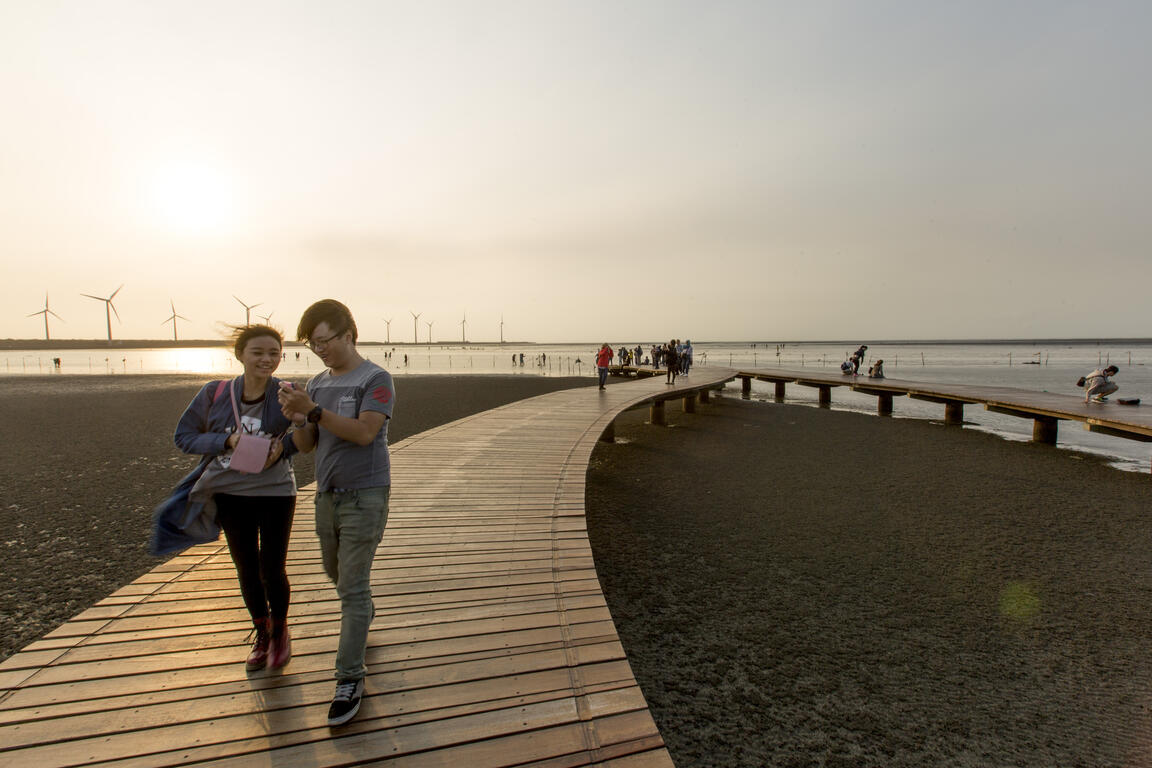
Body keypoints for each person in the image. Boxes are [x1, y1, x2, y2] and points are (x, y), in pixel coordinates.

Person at [277, 300, 395, 727]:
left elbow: (365, 433)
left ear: (349, 334)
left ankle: (349, 678)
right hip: (326, 496)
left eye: (325, 340)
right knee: (338, 576)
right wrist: (295, 417)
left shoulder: (376, 379)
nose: (320, 349)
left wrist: (312, 410)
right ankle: (364, 613)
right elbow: (308, 444)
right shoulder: (317, 382)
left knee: (352, 588)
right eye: (312, 344)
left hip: (365, 495)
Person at [173, 325, 303, 673]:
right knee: (245, 565)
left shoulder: (286, 393)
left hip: (275, 491)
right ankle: (261, 632)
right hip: (230, 491)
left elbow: (306, 435)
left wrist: (283, 447)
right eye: (258, 352)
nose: (267, 359)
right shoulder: (214, 393)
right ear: (240, 354)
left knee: (272, 568)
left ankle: (280, 631)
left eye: (274, 353)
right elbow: (184, 437)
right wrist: (225, 442)